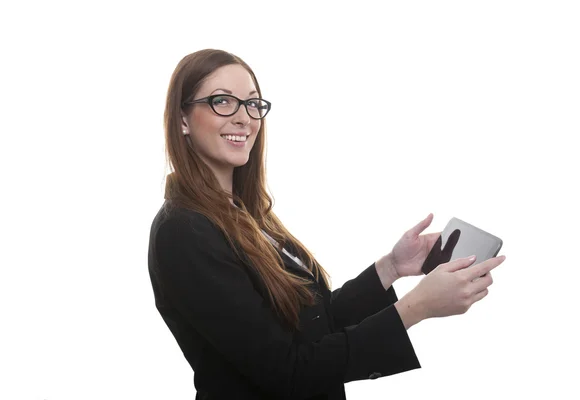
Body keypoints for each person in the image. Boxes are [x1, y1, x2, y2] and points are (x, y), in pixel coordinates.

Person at [147, 49, 506, 400]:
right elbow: (288, 371)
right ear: (182, 119)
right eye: (222, 101)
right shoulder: (184, 231)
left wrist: (392, 267)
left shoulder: (248, 214)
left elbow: (310, 325)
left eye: (253, 103)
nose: (245, 118)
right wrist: (417, 308)